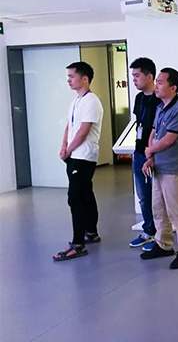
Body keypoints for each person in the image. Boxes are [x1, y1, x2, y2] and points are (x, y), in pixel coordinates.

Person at [140, 67, 178, 270]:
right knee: (159, 209)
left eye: (161, 82)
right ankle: (164, 244)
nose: (156, 86)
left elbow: (169, 139)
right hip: (159, 167)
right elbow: (154, 133)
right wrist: (150, 156)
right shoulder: (160, 107)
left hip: (174, 169)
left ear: (173, 87)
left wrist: (149, 150)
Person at [53, 62, 103, 261]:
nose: (68, 80)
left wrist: (69, 150)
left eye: (72, 76)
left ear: (85, 78)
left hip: (84, 156)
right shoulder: (76, 101)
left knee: (76, 198)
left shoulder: (92, 101)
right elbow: (70, 125)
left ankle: (78, 244)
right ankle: (91, 231)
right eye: (68, 76)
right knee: (85, 194)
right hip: (74, 155)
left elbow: (83, 131)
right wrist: (64, 146)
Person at [129, 58, 161, 250]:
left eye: (137, 75)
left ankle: (161, 234)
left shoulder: (160, 98)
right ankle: (149, 230)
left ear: (149, 76)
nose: (134, 79)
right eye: (132, 76)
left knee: (158, 196)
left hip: (155, 154)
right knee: (143, 195)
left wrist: (152, 153)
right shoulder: (139, 98)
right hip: (139, 152)